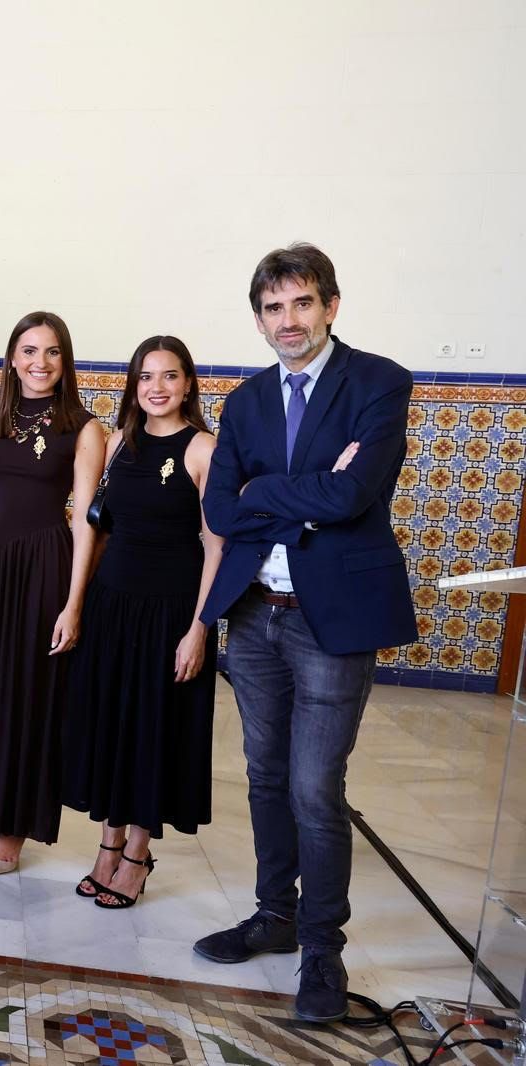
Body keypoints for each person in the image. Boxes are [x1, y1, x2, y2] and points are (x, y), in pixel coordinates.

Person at [193, 243, 416, 1023]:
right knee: (263, 775)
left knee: (315, 788)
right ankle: (274, 915)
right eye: (272, 308)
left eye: (301, 304)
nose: (287, 321)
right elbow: (222, 511)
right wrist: (297, 493)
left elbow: (355, 494)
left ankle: (323, 952)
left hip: (332, 621)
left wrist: (267, 489)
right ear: (258, 318)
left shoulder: (379, 382)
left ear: (330, 306)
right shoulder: (246, 402)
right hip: (255, 615)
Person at [60, 336, 222, 908]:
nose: (157, 387)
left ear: (187, 383)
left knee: (152, 730)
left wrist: (199, 628)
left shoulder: (202, 448)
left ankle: (138, 852)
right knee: (112, 726)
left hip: (171, 613)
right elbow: (97, 531)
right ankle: (107, 843)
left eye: (169, 376)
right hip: (113, 607)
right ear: (133, 384)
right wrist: (78, 605)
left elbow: (215, 546)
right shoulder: (118, 443)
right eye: (145, 376)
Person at [0, 311, 105, 875]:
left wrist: (74, 603)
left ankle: (13, 824)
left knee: (28, 693)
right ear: (12, 357)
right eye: (30, 350)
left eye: (53, 352)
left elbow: (88, 520)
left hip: (43, 566)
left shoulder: (84, 428)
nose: (41, 362)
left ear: (65, 362)